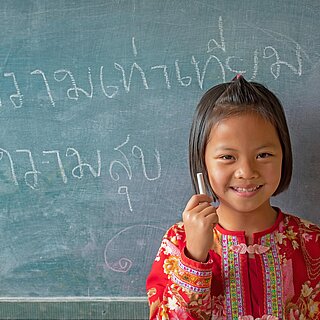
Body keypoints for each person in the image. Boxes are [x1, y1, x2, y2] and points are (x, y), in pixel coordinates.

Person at [146, 75, 320, 320]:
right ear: (203, 163)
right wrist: (194, 257)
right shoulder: (178, 242)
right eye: (227, 157)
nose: (247, 172)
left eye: (264, 155)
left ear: (285, 154)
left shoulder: (311, 242)